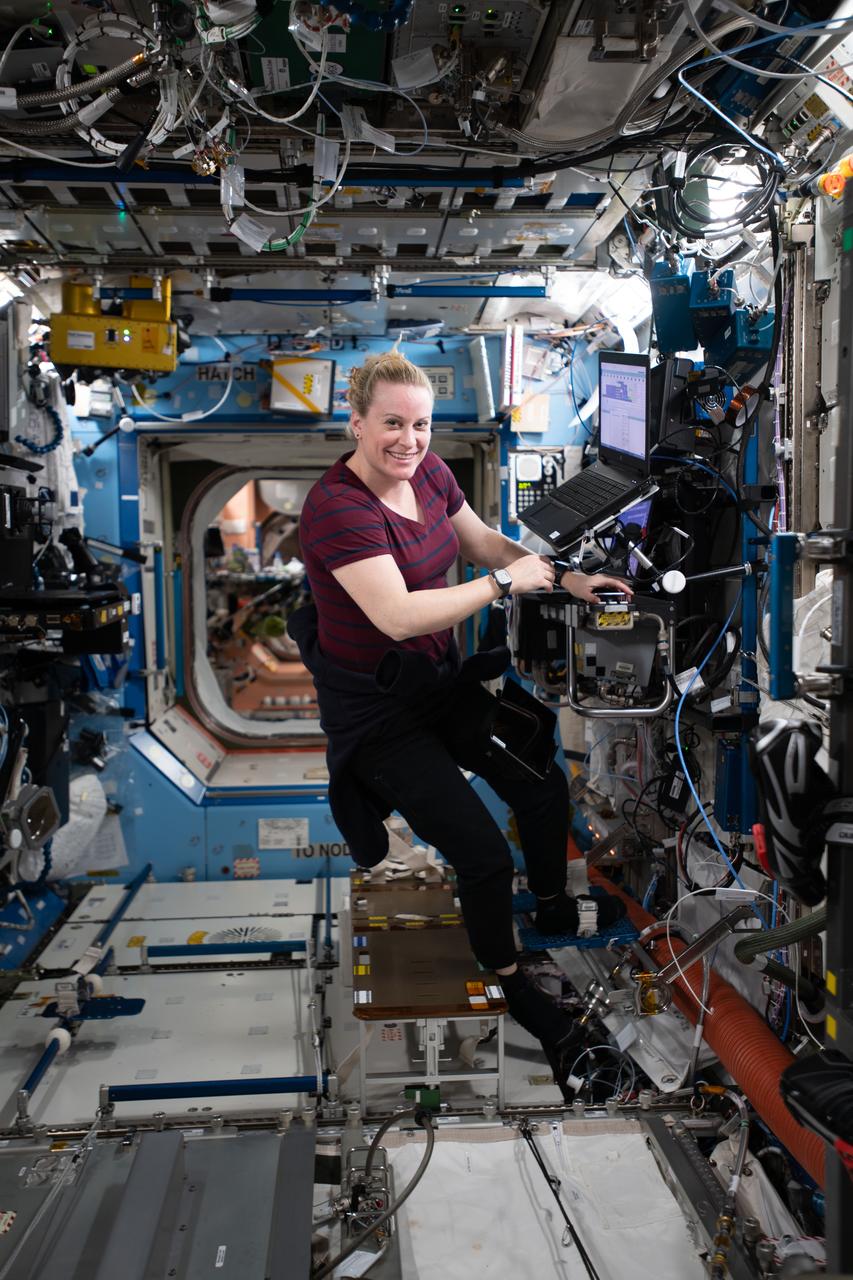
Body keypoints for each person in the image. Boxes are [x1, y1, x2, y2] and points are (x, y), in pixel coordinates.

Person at [290, 351, 631, 1082]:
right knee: (479, 855)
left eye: (419, 424)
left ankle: (548, 909)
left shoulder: (431, 473)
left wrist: (565, 578)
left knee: (539, 779)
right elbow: (396, 615)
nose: (408, 440)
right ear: (355, 423)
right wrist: (505, 584)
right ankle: (514, 987)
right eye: (390, 424)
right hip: (380, 714)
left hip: (436, 684)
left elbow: (479, 542)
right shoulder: (337, 509)